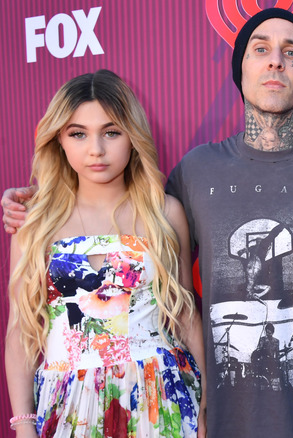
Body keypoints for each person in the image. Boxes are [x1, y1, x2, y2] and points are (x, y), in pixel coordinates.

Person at [2, 8, 293, 438]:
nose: (275, 60)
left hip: (218, 409)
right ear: (239, 71)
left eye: (290, 52)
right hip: (119, 408)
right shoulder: (196, 172)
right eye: (261, 49)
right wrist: (35, 201)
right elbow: (25, 324)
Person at [4, 70, 206, 437]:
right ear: (59, 141)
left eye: (111, 132)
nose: (95, 149)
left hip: (161, 399)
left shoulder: (163, 213)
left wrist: (208, 403)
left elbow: (186, 313)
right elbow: (21, 332)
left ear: (133, 136)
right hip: (66, 405)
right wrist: (23, 424)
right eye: (78, 133)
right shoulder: (35, 225)